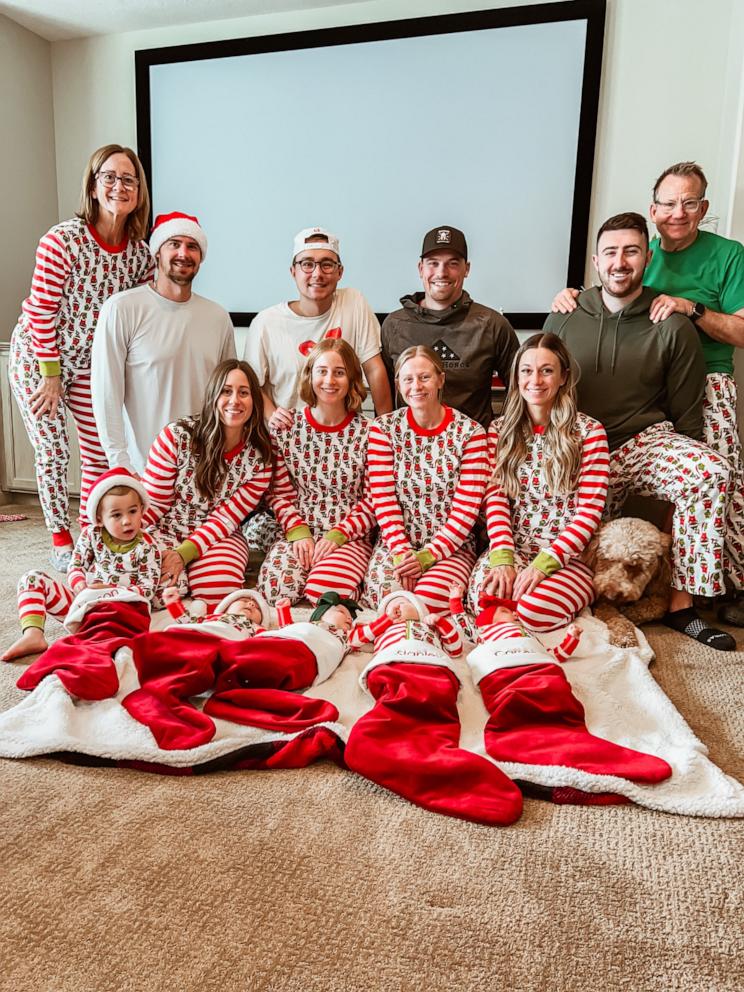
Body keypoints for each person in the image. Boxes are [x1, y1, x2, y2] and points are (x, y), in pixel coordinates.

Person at [551, 162, 744, 626]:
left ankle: (687, 601)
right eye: (611, 253)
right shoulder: (565, 314)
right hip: (586, 443)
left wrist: (688, 454)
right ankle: (573, 592)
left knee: (714, 473)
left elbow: (686, 414)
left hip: (649, 437)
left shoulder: (674, 320)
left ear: (647, 257)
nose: (621, 262)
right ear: (596, 261)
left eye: (632, 252)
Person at [9, 144, 154, 570]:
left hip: (93, 365)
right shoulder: (62, 240)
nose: (118, 186)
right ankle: (60, 538)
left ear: (139, 191)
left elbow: (137, 321)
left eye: (128, 179)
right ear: (93, 186)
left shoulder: (140, 255)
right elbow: (40, 311)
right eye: (108, 177)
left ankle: (94, 529)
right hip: (39, 357)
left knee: (101, 449)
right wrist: (51, 376)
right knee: (52, 449)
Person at [344, 587, 524, 826]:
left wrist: (440, 622)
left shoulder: (428, 628)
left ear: (418, 610)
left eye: (402, 604)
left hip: (431, 667)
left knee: (431, 711)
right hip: (393, 667)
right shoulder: (384, 629)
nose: (394, 609)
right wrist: (385, 621)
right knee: (389, 712)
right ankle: (424, 759)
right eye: (389, 607)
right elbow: (355, 640)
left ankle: (438, 761)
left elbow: (456, 647)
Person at [468, 333, 608, 632]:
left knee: (532, 611)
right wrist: (503, 557)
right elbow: (496, 499)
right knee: (483, 599)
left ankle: (556, 604)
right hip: (514, 546)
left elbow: (589, 512)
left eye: (547, 370)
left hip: (568, 557)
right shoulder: (499, 430)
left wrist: (545, 564)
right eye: (527, 370)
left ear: (563, 377)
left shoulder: (589, 432)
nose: (536, 380)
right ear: (516, 376)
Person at [91, 211, 236, 475]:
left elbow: (227, 396)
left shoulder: (217, 317)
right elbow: (106, 393)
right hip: (143, 470)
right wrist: (120, 462)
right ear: (157, 252)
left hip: (203, 467)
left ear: (201, 258)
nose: (184, 253)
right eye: (174, 244)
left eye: (192, 246)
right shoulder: (122, 309)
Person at [363, 344, 488, 612]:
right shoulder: (383, 430)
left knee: (426, 602)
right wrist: (402, 553)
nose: (416, 386)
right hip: (396, 544)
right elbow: (383, 499)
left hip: (451, 547)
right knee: (387, 599)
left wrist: (428, 556)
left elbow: (467, 510)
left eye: (424, 377)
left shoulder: (471, 433)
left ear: (441, 379)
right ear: (398, 384)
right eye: (408, 379)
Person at [141, 359, 274, 607]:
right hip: (165, 529)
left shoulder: (260, 459)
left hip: (219, 536)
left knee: (220, 588)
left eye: (243, 393)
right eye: (226, 391)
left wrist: (184, 554)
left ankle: (198, 585)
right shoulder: (176, 437)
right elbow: (154, 503)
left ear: (254, 401)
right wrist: (123, 539)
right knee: (154, 589)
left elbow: (225, 519)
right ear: (213, 395)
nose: (235, 400)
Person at [257, 339, 376, 605]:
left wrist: (338, 535)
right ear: (310, 376)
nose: (329, 380)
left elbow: (373, 500)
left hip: (349, 534)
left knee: (324, 593)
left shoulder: (370, 432)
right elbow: (277, 493)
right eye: (321, 371)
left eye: (339, 372)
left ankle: (352, 588)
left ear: (352, 379)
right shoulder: (288, 427)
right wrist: (298, 531)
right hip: (298, 530)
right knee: (277, 591)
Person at [2, 468, 159, 662]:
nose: (127, 521)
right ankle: (32, 634)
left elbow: (147, 589)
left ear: (142, 510)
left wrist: (109, 590)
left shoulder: (147, 545)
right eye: (116, 515)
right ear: (99, 519)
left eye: (133, 511)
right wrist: (80, 585)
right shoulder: (92, 535)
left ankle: (97, 641)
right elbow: (76, 566)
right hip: (86, 606)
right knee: (32, 579)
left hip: (121, 613)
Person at [244, 226, 392, 429]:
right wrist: (272, 414)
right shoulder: (266, 323)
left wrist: (386, 429)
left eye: (327, 264)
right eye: (307, 264)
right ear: (293, 271)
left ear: (340, 272)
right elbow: (250, 384)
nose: (317, 273)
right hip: (288, 438)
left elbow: (375, 369)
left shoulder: (353, 303)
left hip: (345, 439)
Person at [380, 225, 519, 428]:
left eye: (452, 263)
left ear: (467, 268)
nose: (441, 272)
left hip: (474, 450)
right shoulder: (394, 325)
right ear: (421, 268)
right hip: (409, 450)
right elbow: (384, 393)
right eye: (433, 263)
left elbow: (521, 389)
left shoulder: (492, 324)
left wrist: (502, 435)